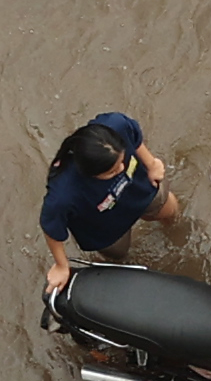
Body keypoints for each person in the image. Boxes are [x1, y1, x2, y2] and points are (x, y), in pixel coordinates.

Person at [39, 112, 179, 292]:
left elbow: (133, 136)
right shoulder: (64, 194)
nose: (122, 169)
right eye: (112, 171)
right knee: (119, 257)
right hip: (106, 229)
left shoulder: (115, 125)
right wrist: (61, 265)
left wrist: (151, 164)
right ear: (90, 173)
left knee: (171, 213)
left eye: (123, 161)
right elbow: (51, 228)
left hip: (140, 188)